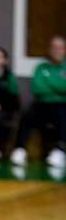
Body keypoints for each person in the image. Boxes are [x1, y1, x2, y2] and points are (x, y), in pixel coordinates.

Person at [10, 35, 66, 167]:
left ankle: (60, 150)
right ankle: (20, 149)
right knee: (28, 113)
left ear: (64, 50)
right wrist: (59, 84)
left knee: (62, 113)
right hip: (42, 104)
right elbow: (37, 88)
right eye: (54, 47)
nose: (57, 51)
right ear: (49, 50)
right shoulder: (41, 67)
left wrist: (49, 80)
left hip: (62, 104)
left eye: (60, 48)